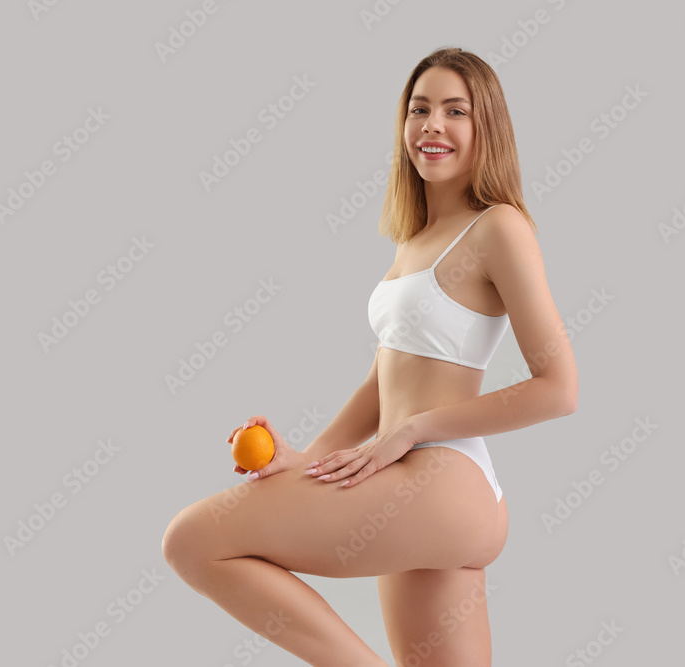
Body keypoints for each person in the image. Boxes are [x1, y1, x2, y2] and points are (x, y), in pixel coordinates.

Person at [162, 45, 578, 667]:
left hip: (442, 482)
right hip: (419, 492)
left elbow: (558, 388)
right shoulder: (416, 240)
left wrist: (412, 431)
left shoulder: (498, 228)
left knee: (192, 540)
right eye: (420, 109)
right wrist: (307, 459)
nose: (432, 125)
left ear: (485, 127)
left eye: (455, 111)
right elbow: (386, 376)